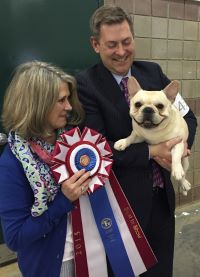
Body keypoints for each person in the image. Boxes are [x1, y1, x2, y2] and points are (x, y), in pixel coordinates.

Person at [76, 5, 197, 277]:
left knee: (162, 268)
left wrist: (181, 147)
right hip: (119, 205)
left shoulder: (153, 73)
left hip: (161, 198)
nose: (121, 51)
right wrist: (153, 151)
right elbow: (97, 150)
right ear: (95, 44)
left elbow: (188, 117)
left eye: (127, 42)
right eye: (112, 45)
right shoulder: (85, 85)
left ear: (134, 38)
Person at [0, 61, 92, 277]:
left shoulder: (75, 142)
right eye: (61, 100)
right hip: (56, 264)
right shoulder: (12, 163)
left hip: (92, 251)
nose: (69, 107)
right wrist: (63, 201)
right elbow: (15, 238)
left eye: (68, 98)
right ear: (38, 104)